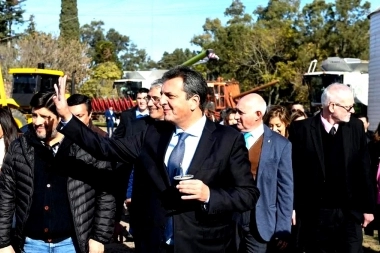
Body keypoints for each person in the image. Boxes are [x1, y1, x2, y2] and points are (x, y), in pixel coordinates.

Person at [53, 66, 260, 253]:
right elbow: (106, 148)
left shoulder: (228, 139)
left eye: (169, 96)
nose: (161, 101)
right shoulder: (152, 132)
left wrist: (208, 195)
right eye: (162, 95)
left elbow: (247, 194)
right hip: (153, 243)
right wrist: (67, 117)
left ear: (194, 101)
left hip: (205, 244)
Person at [0, 92, 115, 253]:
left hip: (72, 244)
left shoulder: (86, 147)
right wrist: (3, 243)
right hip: (31, 244)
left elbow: (106, 193)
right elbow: (6, 196)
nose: (37, 122)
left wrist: (99, 238)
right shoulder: (19, 148)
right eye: (34, 115)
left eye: (45, 117)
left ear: (61, 116)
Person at [288, 83, 374, 253]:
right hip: (315, 214)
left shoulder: (355, 127)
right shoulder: (302, 130)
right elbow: (294, 172)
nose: (352, 111)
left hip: (349, 213)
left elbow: (364, 169)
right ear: (332, 106)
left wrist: (368, 208)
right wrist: (292, 207)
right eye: (349, 107)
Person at [234, 94, 293, 253]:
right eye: (236, 112)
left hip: (261, 222)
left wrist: (283, 227)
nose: (235, 117)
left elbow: (285, 189)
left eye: (241, 113)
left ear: (258, 115)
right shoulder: (228, 137)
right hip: (231, 220)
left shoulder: (280, 145)